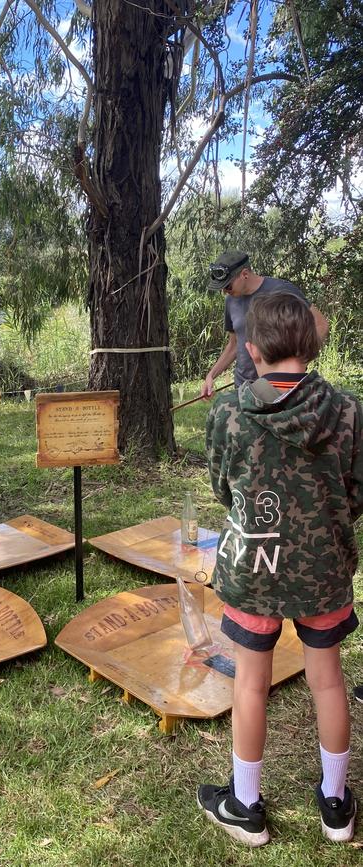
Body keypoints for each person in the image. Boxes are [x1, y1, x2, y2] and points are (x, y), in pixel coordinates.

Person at [198, 292, 360, 846]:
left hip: (254, 570)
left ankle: (245, 805)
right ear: (309, 345)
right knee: (329, 681)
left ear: (252, 349)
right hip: (325, 572)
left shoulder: (229, 412)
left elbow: (223, 487)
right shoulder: (347, 410)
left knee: (250, 683)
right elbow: (355, 491)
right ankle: (336, 805)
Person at [201, 250, 329, 397]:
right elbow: (234, 344)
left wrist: (300, 361)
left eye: (228, 286)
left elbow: (321, 325)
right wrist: (211, 375)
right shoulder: (231, 300)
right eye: (222, 288)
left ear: (244, 274)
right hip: (244, 388)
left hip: (280, 389)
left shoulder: (282, 290)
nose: (224, 291)